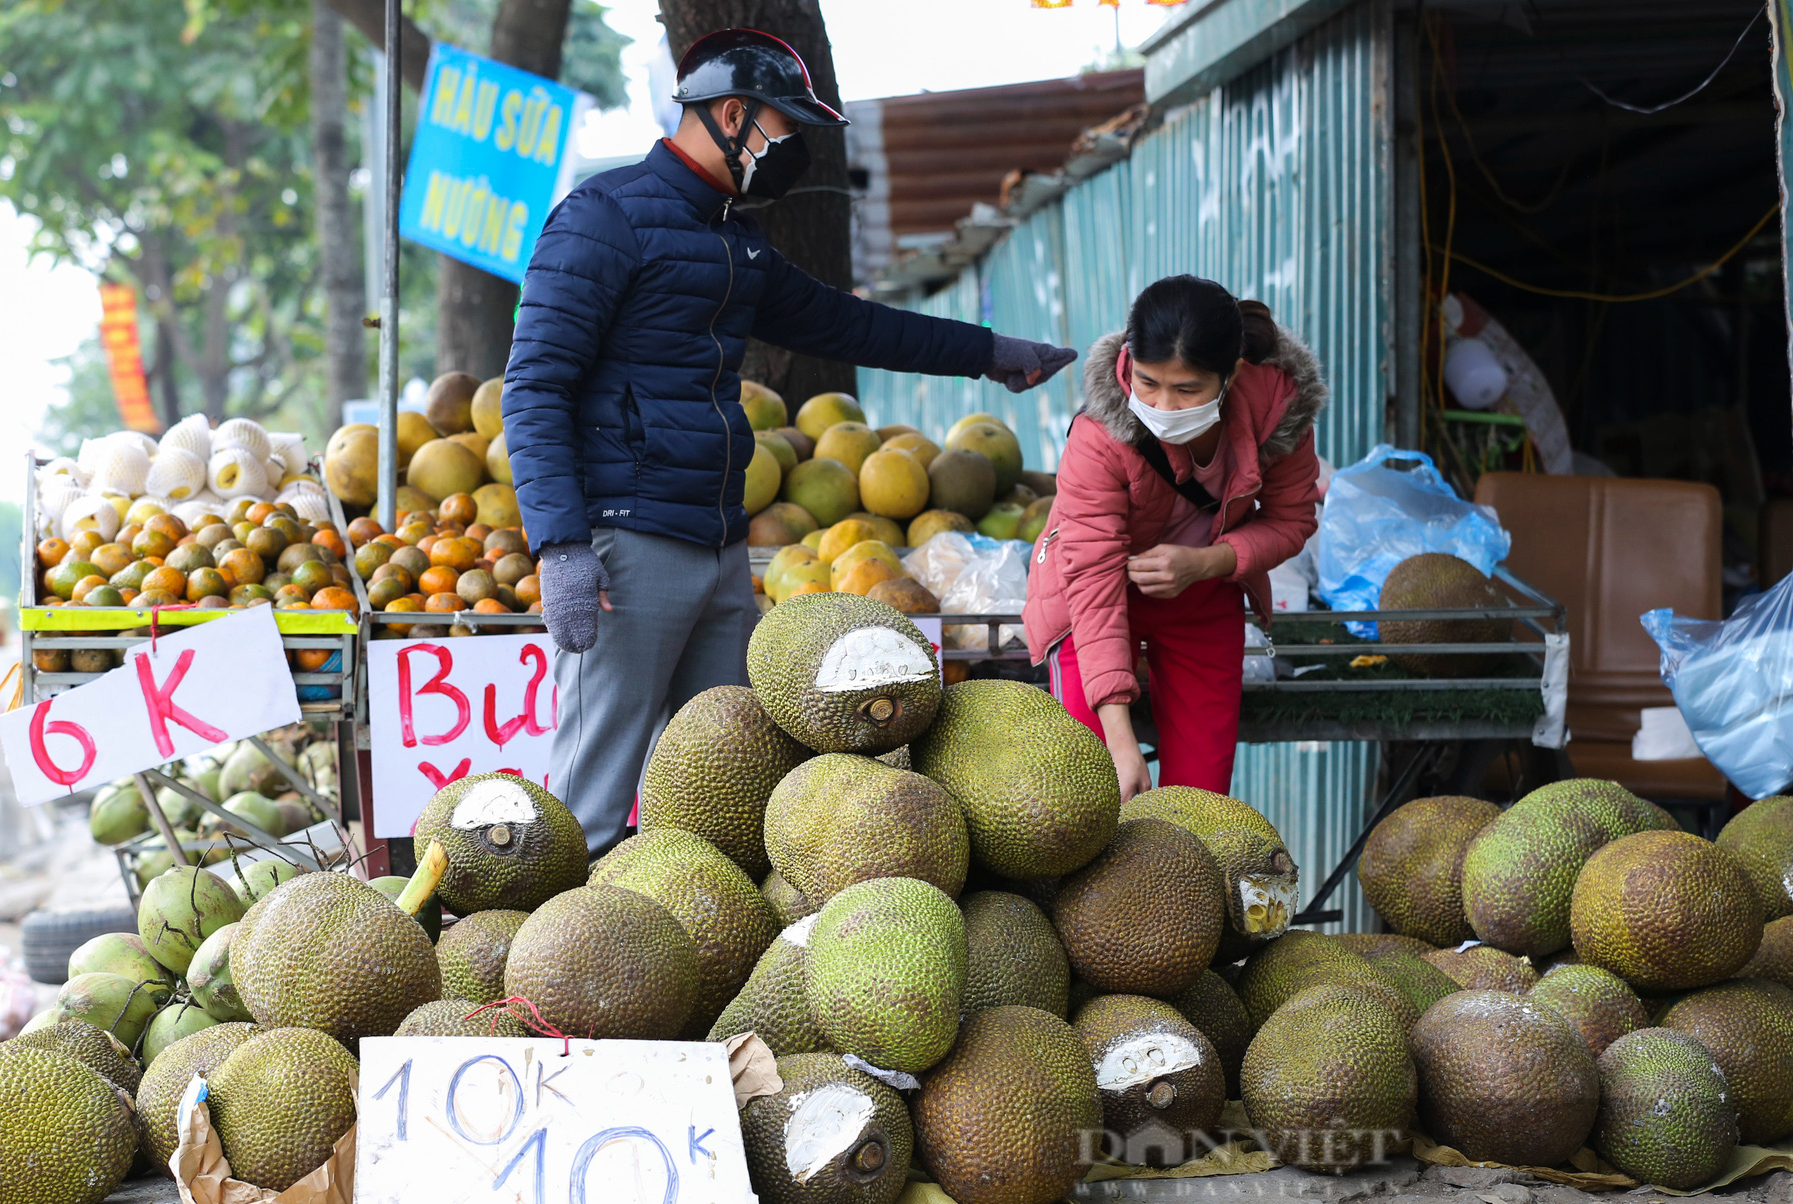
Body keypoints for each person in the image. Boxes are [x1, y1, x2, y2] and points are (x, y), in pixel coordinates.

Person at [502, 27, 1076, 854]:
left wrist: (987, 354)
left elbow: (851, 323)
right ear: (733, 114)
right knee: (592, 805)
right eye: (784, 127)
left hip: (718, 548)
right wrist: (560, 544)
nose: (793, 149)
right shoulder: (604, 219)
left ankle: (685, 966)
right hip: (625, 548)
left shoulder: (733, 240)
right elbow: (534, 385)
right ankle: (548, 976)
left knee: (725, 799)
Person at [1022, 275, 1325, 798]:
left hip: (1202, 597)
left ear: (1230, 374)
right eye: (1148, 383)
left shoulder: (1280, 412)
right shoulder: (1099, 436)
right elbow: (1091, 580)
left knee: (1201, 799)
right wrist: (1121, 745)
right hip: (1094, 598)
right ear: (1130, 362)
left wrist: (1206, 563)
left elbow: (1292, 521)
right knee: (1092, 791)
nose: (1163, 406)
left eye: (1187, 390)